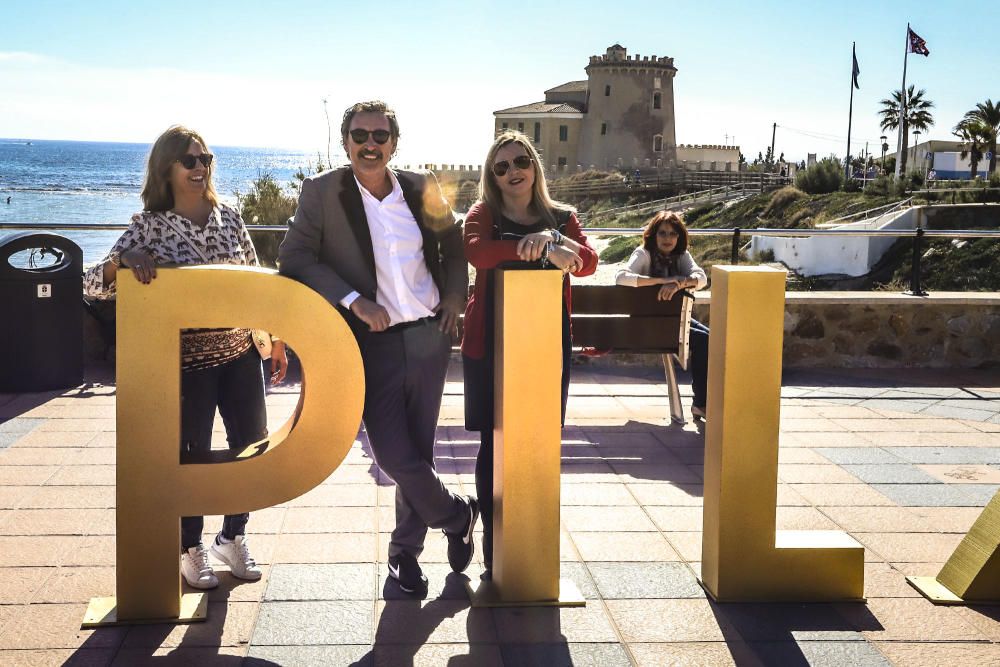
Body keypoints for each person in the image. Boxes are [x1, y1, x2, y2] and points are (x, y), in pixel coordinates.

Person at [278, 100, 477, 596]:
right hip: (373, 344)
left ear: (394, 142)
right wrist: (354, 300)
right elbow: (295, 256)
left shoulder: (420, 186)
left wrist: (456, 295)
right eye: (360, 135)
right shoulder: (323, 192)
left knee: (418, 451)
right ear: (346, 141)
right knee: (392, 454)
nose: (371, 144)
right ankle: (457, 514)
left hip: (430, 338)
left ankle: (403, 557)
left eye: (380, 136)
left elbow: (453, 247)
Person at [84, 125, 287, 589]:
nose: (201, 169)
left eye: (206, 160)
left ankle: (232, 537)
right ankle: (189, 547)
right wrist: (122, 261)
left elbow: (256, 282)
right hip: (185, 364)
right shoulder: (148, 226)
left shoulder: (230, 217)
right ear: (167, 168)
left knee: (250, 449)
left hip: (239, 354)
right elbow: (92, 284)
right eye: (190, 161)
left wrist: (275, 338)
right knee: (190, 454)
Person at [462, 130, 598, 579]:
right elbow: (477, 253)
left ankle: (530, 544)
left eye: (521, 161)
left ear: (535, 166)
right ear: (492, 176)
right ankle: (492, 546)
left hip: (543, 348)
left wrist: (559, 244)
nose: (513, 171)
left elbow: (589, 262)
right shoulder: (484, 214)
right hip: (490, 347)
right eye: (501, 167)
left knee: (538, 442)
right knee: (492, 443)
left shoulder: (562, 217)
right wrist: (532, 245)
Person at [615, 211, 709, 419]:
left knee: (712, 338)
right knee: (705, 340)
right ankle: (701, 403)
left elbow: (701, 278)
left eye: (673, 234)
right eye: (663, 233)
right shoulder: (644, 254)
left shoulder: (682, 255)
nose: (668, 239)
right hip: (647, 323)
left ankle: (702, 401)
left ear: (679, 236)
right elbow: (621, 278)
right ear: (653, 235)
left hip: (671, 320)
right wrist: (660, 282)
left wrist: (679, 283)